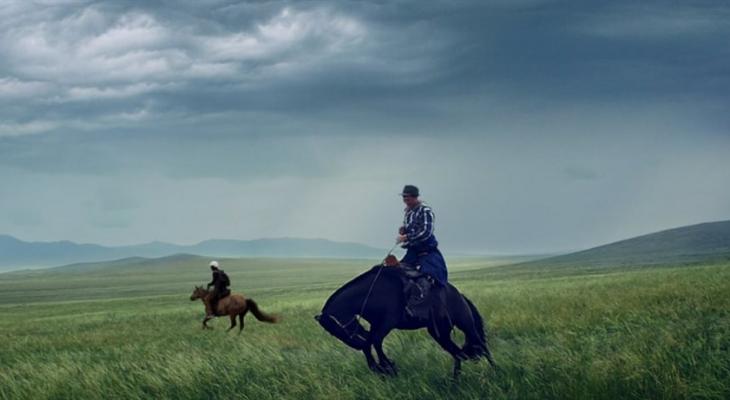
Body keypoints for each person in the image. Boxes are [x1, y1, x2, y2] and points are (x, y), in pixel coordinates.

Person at [396, 185, 448, 320]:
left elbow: (426, 232)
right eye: (403, 197)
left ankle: (419, 309)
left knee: (427, 278)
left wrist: (406, 237)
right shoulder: (408, 211)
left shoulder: (425, 211)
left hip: (427, 252)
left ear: (414, 197)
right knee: (397, 271)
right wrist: (404, 229)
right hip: (413, 252)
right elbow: (413, 229)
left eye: (406, 197)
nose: (404, 200)